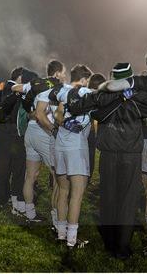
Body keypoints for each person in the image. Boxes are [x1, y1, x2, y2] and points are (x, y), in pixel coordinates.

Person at [67, 62, 147, 259]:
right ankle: (122, 247)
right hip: (130, 153)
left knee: (108, 197)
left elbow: (77, 106)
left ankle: (109, 241)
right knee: (127, 200)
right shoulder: (139, 96)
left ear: (113, 77)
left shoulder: (102, 94)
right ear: (130, 77)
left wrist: (75, 91)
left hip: (107, 152)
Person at [12, 60, 67, 226]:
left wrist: (28, 104)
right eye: (63, 72)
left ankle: (30, 214)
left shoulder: (37, 84)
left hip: (30, 132)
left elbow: (15, 88)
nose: (64, 76)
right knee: (59, 177)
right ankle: (57, 217)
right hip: (45, 132)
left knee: (30, 176)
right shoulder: (56, 86)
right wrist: (53, 130)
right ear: (57, 73)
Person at [51, 64, 93, 248]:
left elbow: (57, 115)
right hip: (76, 148)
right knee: (76, 195)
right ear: (84, 80)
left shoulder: (63, 92)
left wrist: (64, 123)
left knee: (62, 191)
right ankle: (72, 240)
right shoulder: (86, 92)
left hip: (60, 145)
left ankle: (61, 234)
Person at [0, 67, 26, 214]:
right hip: (11, 134)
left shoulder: (3, 86)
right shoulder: (12, 88)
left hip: (1, 133)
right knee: (16, 167)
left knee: (1, 168)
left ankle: (1, 198)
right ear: (19, 77)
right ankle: (14, 197)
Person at [86, 73, 107, 179]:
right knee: (89, 159)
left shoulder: (82, 93)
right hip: (89, 132)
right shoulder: (97, 96)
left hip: (77, 133)